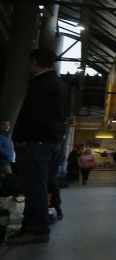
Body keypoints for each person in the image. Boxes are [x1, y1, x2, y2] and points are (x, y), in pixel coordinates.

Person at [7, 48, 67, 245]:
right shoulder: (59, 84)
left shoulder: (41, 85)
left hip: (38, 143)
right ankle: (34, 226)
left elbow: (34, 116)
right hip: (53, 141)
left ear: (34, 62)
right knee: (39, 185)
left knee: (35, 187)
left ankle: (36, 229)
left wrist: (21, 137)